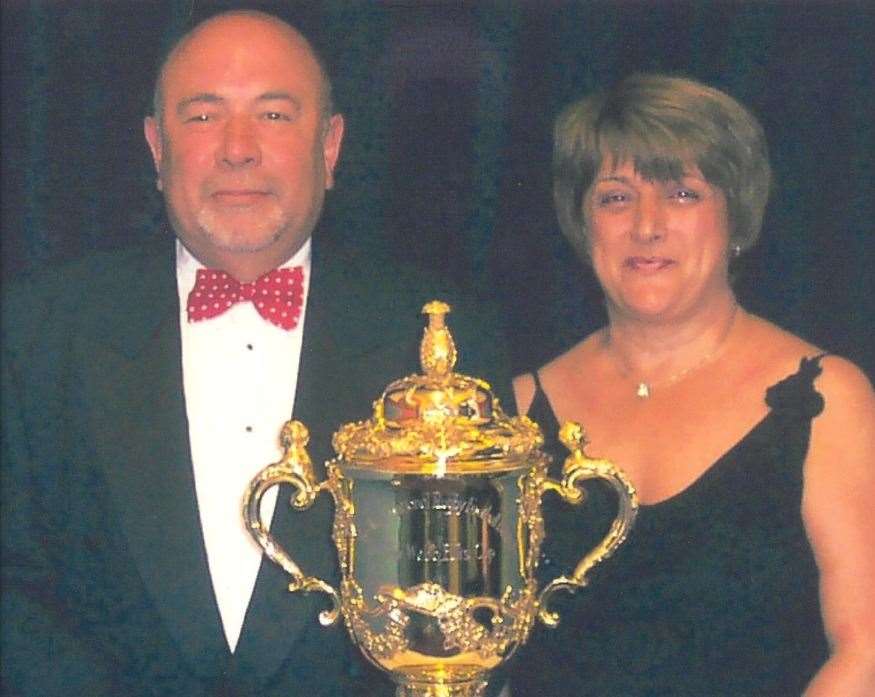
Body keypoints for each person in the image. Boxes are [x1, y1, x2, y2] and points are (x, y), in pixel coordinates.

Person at [1, 10, 511, 697]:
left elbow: (469, 613)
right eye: (203, 116)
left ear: (329, 148)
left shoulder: (439, 340)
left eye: (273, 115)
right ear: (157, 148)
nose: (237, 148)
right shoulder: (36, 333)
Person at [507, 74, 875, 696]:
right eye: (616, 198)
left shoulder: (824, 399)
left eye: (682, 193)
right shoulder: (514, 410)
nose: (647, 227)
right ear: (582, 222)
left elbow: (865, 651)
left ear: (736, 216)